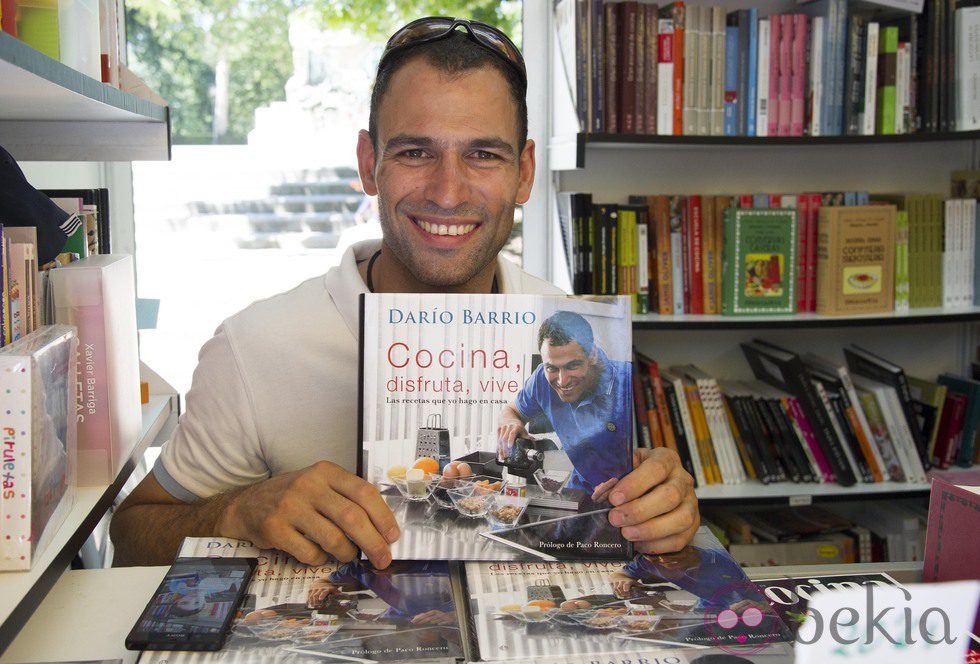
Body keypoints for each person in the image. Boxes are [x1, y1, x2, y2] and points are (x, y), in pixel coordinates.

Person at [110, 16, 699, 569]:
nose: (447, 192)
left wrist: (659, 507)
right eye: (415, 152)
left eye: (483, 155)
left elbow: (630, 509)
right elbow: (133, 533)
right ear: (369, 164)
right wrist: (236, 512)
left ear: (523, 174)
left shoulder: (569, 327)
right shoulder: (254, 346)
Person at [497, 310, 631, 497]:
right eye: (551, 367)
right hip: (576, 492)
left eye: (572, 366)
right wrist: (512, 423)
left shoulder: (629, 382)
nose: (562, 380)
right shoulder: (541, 379)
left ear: (592, 354)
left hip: (628, 498)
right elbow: (511, 410)